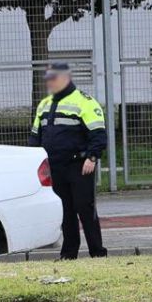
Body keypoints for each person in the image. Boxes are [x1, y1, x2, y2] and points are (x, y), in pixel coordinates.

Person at [29, 62, 108, 260]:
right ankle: (69, 254)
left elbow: (98, 134)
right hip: (55, 167)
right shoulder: (45, 104)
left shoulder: (84, 102)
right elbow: (35, 137)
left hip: (79, 166)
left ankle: (97, 253)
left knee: (85, 209)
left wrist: (92, 157)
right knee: (64, 211)